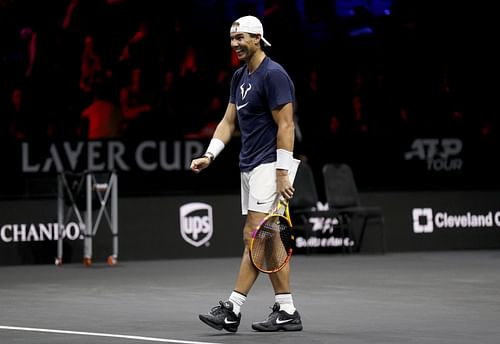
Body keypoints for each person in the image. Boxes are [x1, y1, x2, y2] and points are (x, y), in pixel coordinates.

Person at [190, 15, 303, 333]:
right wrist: (210, 154)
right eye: (231, 38)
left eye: (240, 38)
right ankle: (286, 309)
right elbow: (228, 122)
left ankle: (233, 308)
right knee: (262, 240)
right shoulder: (239, 77)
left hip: (270, 165)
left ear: (257, 38)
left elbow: (286, 124)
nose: (234, 44)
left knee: (254, 234)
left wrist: (282, 172)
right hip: (249, 167)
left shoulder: (274, 74)